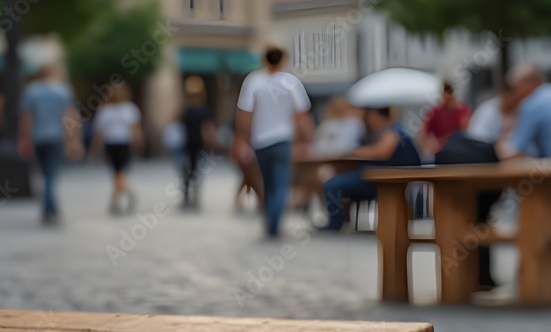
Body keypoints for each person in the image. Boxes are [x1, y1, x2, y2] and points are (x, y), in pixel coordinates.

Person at [435, 90, 518, 289]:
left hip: (470, 177)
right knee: (478, 219)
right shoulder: (490, 112)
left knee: (476, 219)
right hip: (478, 175)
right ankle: (480, 278)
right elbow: (483, 149)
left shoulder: (505, 112)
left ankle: (476, 279)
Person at [234, 45, 314, 236]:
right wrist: (309, 140)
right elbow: (303, 116)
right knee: (280, 184)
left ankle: (271, 221)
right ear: (283, 60)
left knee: (267, 183)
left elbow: (244, 115)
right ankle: (274, 224)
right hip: (283, 140)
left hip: (260, 141)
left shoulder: (254, 81)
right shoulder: (290, 82)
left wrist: (242, 139)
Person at [321, 107, 421, 231]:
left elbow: (381, 152)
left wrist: (355, 152)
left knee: (332, 185)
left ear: (376, 116)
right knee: (337, 180)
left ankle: (334, 225)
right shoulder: (392, 131)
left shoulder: (393, 132)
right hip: (382, 179)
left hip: (379, 180)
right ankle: (339, 222)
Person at [19, 65, 83, 224]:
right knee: (51, 174)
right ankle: (51, 209)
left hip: (38, 137)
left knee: (45, 174)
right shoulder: (62, 91)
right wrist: (74, 140)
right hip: (56, 137)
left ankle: (49, 209)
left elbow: (26, 118)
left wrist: (24, 139)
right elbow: (71, 117)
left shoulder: (31, 91)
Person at [92, 83, 143, 214]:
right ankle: (127, 195)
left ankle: (115, 201)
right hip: (112, 144)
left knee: (119, 172)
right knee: (118, 173)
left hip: (123, 143)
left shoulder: (128, 108)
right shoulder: (106, 110)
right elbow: (100, 132)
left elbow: (134, 128)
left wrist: (137, 141)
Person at [499, 64, 551, 160]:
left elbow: (512, 150)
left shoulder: (533, 103)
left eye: (515, 87)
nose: (515, 93)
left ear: (527, 84)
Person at [179, 89, 216, 209]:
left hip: (188, 143)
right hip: (199, 143)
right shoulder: (203, 110)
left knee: (187, 171)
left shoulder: (187, 110)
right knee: (197, 171)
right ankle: (195, 197)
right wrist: (210, 141)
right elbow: (207, 127)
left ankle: (187, 197)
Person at [418, 81, 471, 156]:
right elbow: (422, 135)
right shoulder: (434, 112)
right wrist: (430, 147)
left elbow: (466, 130)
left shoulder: (463, 110)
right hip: (440, 152)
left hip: (459, 151)